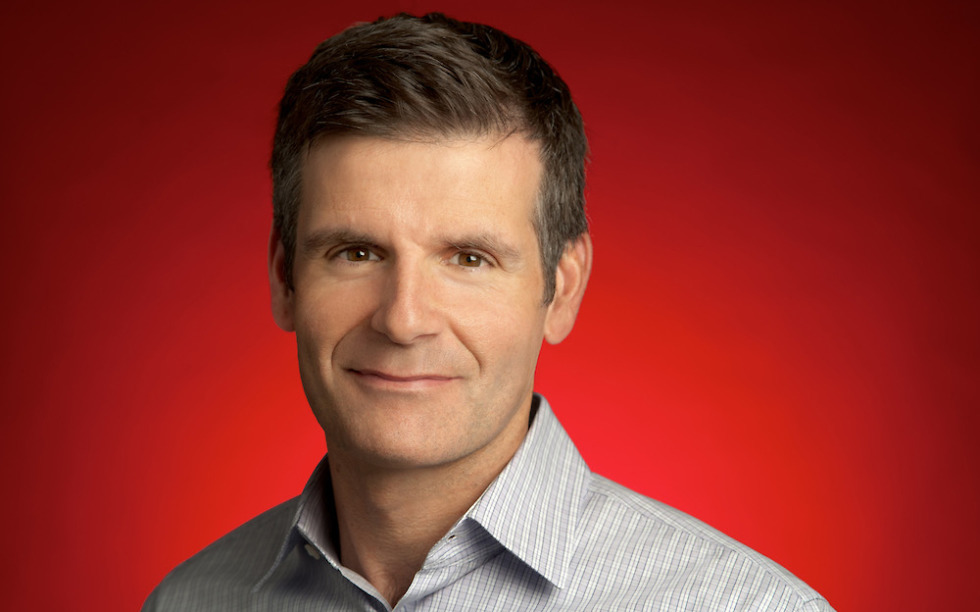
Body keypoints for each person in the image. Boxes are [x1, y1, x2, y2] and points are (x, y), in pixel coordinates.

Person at [143, 13, 833, 611]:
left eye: (469, 258)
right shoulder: (191, 600)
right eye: (356, 253)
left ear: (562, 289)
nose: (403, 320)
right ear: (283, 278)